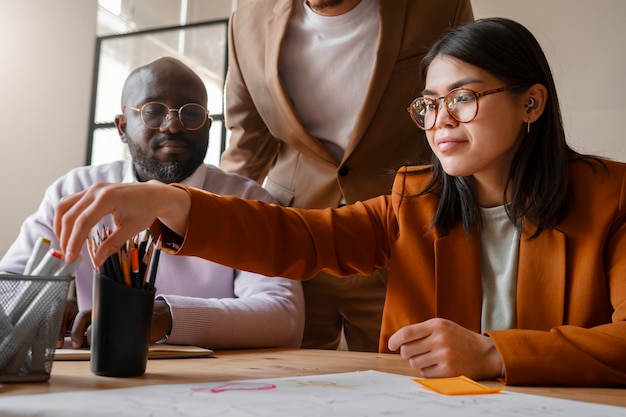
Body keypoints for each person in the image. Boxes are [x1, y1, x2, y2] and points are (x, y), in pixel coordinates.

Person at [54, 17, 626, 387]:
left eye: (465, 98)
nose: (441, 120)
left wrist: (492, 353)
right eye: (428, 104)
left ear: (532, 104)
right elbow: (297, 238)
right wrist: (168, 200)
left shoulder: (612, 197)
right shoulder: (414, 201)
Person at [220, 0, 474, 352]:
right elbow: (247, 143)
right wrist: (213, 235)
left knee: (402, 387)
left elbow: (462, 110)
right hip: (295, 240)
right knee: (289, 388)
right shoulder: (248, 20)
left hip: (401, 237)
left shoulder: (438, 7)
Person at [0, 56, 304, 350]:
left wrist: (162, 318)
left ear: (209, 127)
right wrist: (43, 305)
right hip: (100, 378)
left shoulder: (248, 200)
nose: (173, 125)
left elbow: (284, 317)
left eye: (192, 112)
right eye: (153, 110)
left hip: (214, 383)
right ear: (122, 126)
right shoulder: (76, 191)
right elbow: (7, 285)